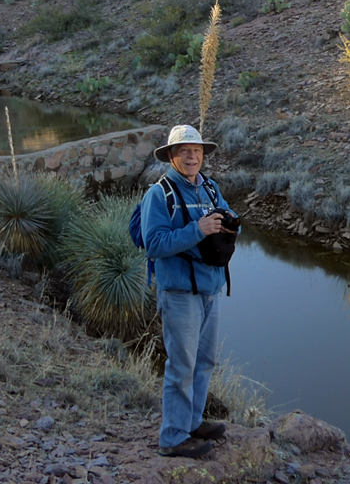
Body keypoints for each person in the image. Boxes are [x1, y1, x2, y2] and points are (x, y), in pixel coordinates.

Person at [140, 124, 237, 459]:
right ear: (171, 156)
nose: (192, 156)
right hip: (180, 293)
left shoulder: (209, 188)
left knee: (205, 361)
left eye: (197, 150)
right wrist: (198, 229)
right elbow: (154, 244)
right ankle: (172, 437)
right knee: (181, 366)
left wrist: (229, 220)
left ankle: (192, 422)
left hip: (210, 288)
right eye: (185, 151)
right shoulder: (159, 194)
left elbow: (227, 213)